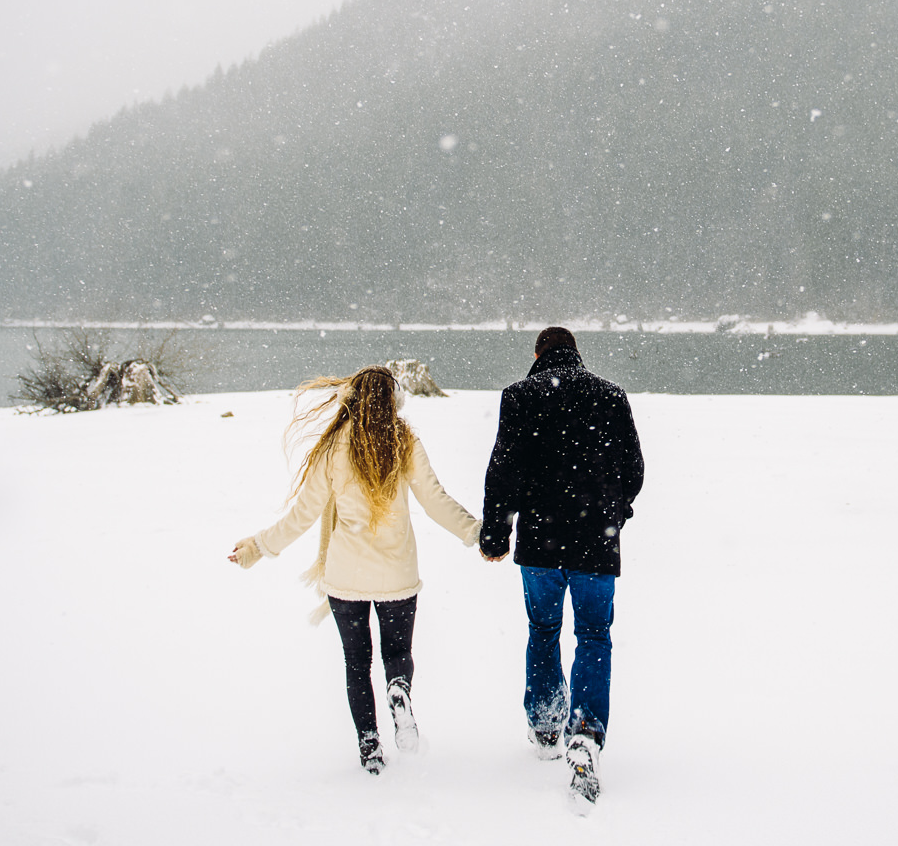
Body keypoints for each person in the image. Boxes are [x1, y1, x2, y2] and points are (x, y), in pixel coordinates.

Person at [229, 365, 481, 775]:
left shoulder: (333, 448)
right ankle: (399, 691)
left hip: (346, 578)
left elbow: (303, 514)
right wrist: (475, 532)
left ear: (351, 400)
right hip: (398, 574)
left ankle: (370, 746)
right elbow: (436, 499)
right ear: (393, 401)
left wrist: (258, 546)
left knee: (356, 663)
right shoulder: (405, 442)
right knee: (397, 653)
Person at [480, 327, 645, 807]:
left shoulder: (520, 397)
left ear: (537, 354)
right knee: (594, 635)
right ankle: (587, 733)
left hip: (541, 543)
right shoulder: (611, 397)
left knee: (544, 628)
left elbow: (502, 471)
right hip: (597, 543)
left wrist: (496, 533)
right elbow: (633, 470)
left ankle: (548, 726)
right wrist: (614, 512)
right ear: (576, 354)